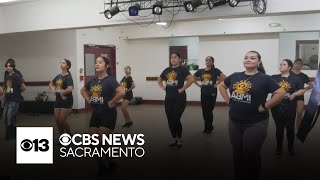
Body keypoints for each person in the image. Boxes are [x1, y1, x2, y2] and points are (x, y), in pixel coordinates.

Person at [218, 51, 285, 180]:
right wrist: (228, 100)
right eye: (246, 57)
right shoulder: (235, 76)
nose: (248, 59)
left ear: (259, 62)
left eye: (252, 58)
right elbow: (221, 85)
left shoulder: (264, 78)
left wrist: (265, 106)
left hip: (256, 123)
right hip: (234, 121)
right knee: (237, 153)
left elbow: (280, 93)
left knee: (251, 154)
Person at [80, 56, 125, 175]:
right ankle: (101, 165)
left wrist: (112, 102)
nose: (97, 64)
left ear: (107, 66)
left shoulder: (110, 80)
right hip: (96, 114)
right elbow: (83, 90)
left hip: (108, 114)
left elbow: (122, 92)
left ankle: (110, 161)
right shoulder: (93, 81)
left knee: (101, 141)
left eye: (100, 62)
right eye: (96, 62)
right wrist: (88, 100)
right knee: (91, 142)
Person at [158, 52, 194, 148]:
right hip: (168, 99)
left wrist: (182, 88)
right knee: (170, 119)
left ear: (179, 59)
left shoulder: (183, 69)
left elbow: (191, 79)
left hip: (179, 99)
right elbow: (159, 79)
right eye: (171, 57)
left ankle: (180, 138)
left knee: (176, 118)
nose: (173, 59)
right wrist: (162, 87)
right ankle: (174, 138)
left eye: (175, 57)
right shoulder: (167, 70)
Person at [271, 59, 305, 156]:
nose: (281, 65)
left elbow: (302, 90)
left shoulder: (296, 79)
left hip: (290, 107)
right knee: (279, 128)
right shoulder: (274, 77)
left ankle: (291, 148)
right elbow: (267, 88)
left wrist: (294, 94)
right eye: (280, 64)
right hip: (276, 107)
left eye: (284, 64)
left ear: (289, 67)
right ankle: (279, 148)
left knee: (290, 128)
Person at [194, 56, 226, 134]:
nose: (208, 62)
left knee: (209, 109)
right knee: (205, 110)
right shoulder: (201, 71)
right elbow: (192, 77)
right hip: (204, 92)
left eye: (209, 60)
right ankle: (207, 127)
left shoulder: (215, 70)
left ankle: (209, 126)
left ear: (212, 62)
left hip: (212, 92)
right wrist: (198, 85)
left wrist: (217, 84)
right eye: (206, 60)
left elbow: (224, 77)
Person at [49, 59, 74, 136]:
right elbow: (50, 83)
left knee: (61, 121)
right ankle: (63, 136)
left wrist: (61, 94)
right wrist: (54, 91)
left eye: (63, 63)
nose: (61, 64)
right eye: (61, 63)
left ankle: (69, 134)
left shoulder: (68, 77)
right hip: (58, 101)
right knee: (57, 121)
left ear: (68, 66)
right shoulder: (58, 76)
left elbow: (70, 88)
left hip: (66, 101)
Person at [2, 59, 23, 140]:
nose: (8, 67)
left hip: (14, 100)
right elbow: (6, 88)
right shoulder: (6, 75)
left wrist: (17, 93)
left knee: (9, 117)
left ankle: (9, 135)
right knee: (5, 117)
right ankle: (13, 134)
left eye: (10, 66)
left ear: (13, 67)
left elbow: (23, 87)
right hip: (7, 99)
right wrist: (3, 99)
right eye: (7, 66)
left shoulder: (17, 75)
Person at [292, 58, 314, 129]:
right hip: (289, 94)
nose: (298, 65)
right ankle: (290, 129)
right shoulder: (288, 74)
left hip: (300, 95)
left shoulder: (304, 76)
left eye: (300, 64)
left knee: (299, 113)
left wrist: (304, 89)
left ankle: (298, 130)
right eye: (296, 63)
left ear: (301, 66)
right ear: (293, 64)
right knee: (290, 114)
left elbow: (311, 85)